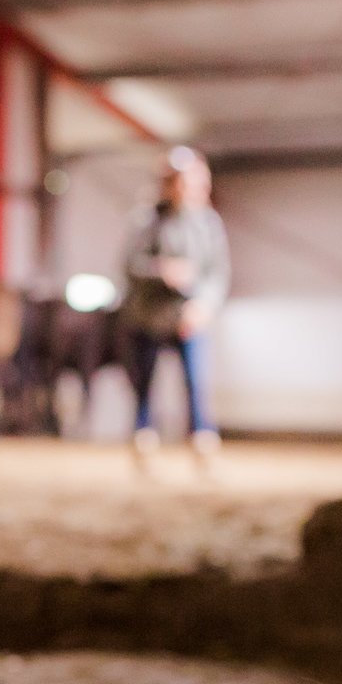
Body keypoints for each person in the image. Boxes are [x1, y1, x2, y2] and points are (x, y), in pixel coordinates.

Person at [119, 147, 229, 472]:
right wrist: (162, 271)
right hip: (147, 318)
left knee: (196, 385)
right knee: (144, 385)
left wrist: (203, 306)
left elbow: (217, 273)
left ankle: (202, 446)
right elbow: (129, 265)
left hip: (188, 319)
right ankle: (143, 445)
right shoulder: (146, 220)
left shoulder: (208, 224)